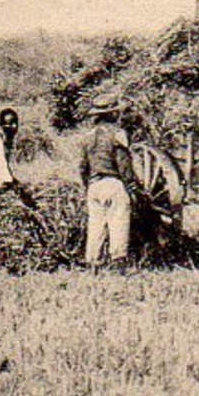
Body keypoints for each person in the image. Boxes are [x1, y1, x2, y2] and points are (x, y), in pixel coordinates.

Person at [80, 92, 135, 267]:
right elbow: (123, 164)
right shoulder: (117, 134)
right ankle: (119, 265)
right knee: (118, 222)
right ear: (112, 114)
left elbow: (82, 166)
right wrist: (131, 187)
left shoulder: (87, 137)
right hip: (113, 183)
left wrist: (87, 185)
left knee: (96, 226)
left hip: (94, 185)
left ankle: (93, 264)